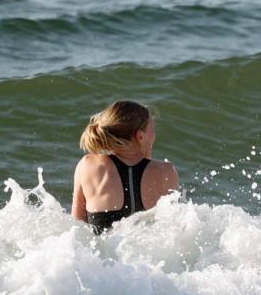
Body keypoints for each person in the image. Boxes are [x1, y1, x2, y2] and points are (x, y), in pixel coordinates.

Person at [72, 100, 180, 234]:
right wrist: (146, 156)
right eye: (152, 130)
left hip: (101, 253)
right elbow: (173, 230)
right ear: (140, 136)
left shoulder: (88, 166)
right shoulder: (166, 171)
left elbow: (76, 227)